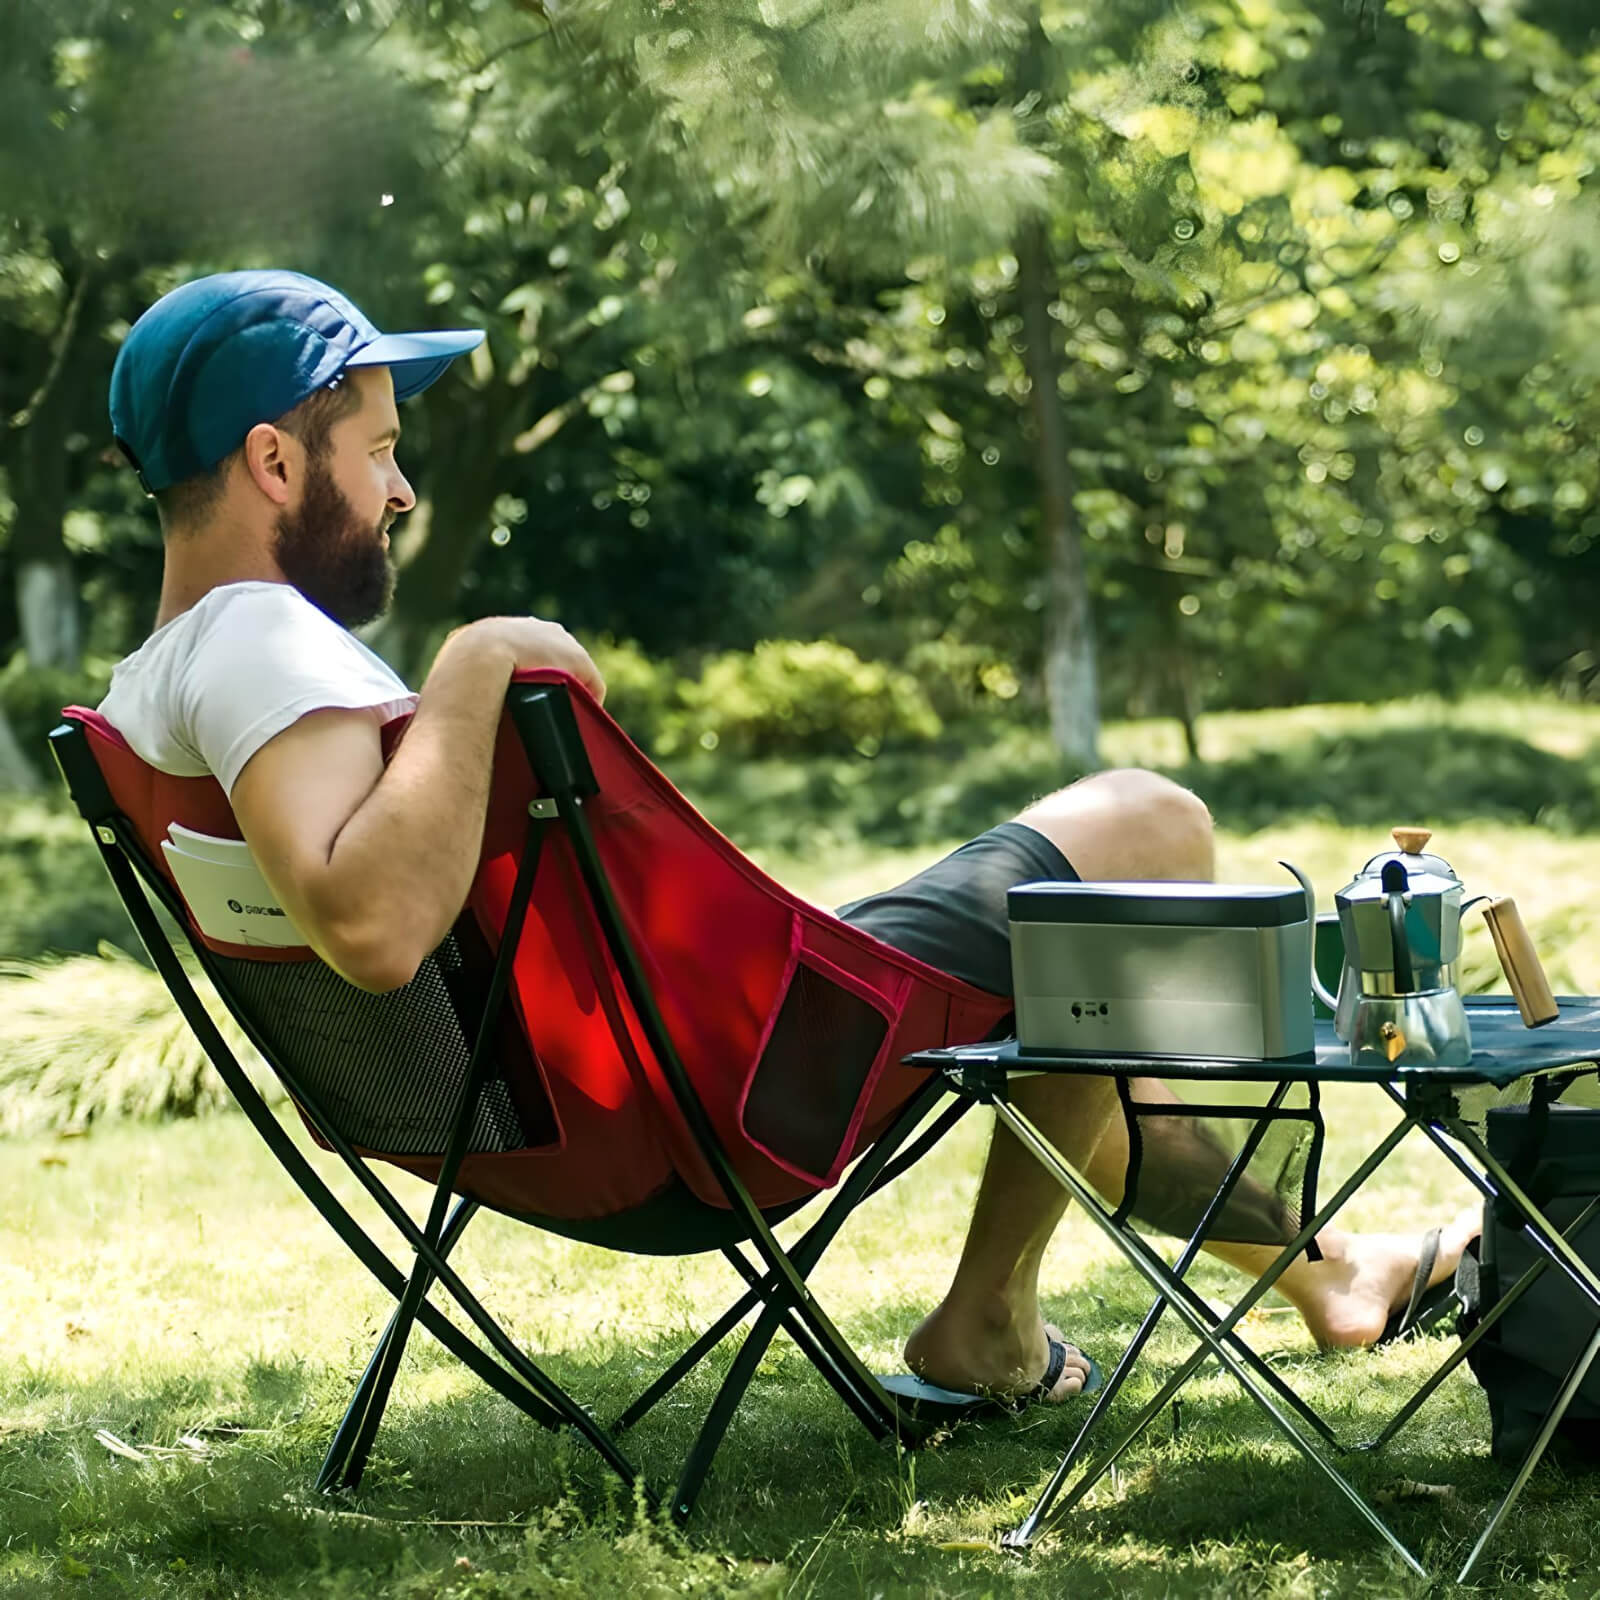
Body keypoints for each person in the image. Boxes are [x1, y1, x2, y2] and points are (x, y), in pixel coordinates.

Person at [99, 271, 1473, 1412]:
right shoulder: (262, 639)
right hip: (736, 1095)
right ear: (275, 462)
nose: (401, 492)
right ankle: (1008, 1318)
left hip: (559, 1122)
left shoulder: (156, 691)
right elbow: (372, 929)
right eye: (380, 450)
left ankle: (1321, 1273)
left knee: (1083, 1006)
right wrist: (479, 659)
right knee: (1147, 829)